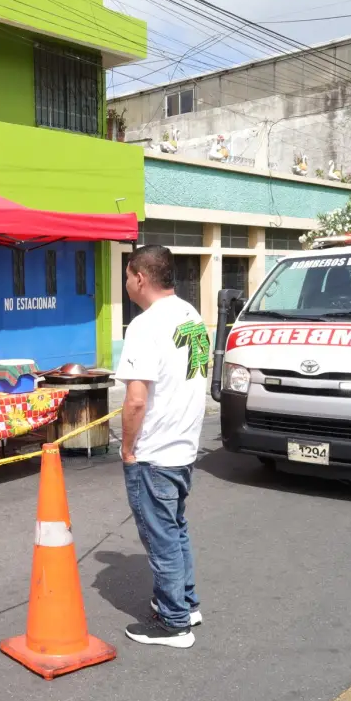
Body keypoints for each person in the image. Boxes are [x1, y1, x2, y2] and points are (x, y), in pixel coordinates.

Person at [115, 245, 211, 649]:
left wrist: (128, 449)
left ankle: (174, 623)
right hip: (184, 445)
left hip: (155, 452)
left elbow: (136, 400)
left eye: (126, 275)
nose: (125, 283)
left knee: (162, 538)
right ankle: (186, 604)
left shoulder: (145, 326)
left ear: (140, 277)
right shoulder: (190, 314)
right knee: (175, 529)